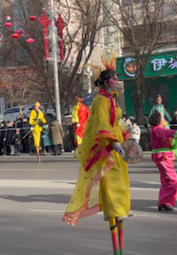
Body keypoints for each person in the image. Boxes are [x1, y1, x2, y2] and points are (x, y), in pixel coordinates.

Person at [63, 53, 132, 254]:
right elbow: (102, 123)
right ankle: (115, 212)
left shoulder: (112, 99)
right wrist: (111, 142)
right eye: (114, 78)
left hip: (116, 141)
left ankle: (121, 210)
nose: (117, 81)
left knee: (121, 177)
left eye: (117, 78)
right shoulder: (101, 100)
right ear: (105, 81)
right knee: (110, 179)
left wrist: (126, 134)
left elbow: (115, 121)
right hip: (107, 145)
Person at [148, 112, 177, 211]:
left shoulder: (156, 129)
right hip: (163, 157)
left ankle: (163, 202)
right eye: (162, 118)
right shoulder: (157, 129)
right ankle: (166, 202)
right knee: (173, 181)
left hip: (164, 157)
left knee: (166, 181)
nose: (164, 119)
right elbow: (164, 133)